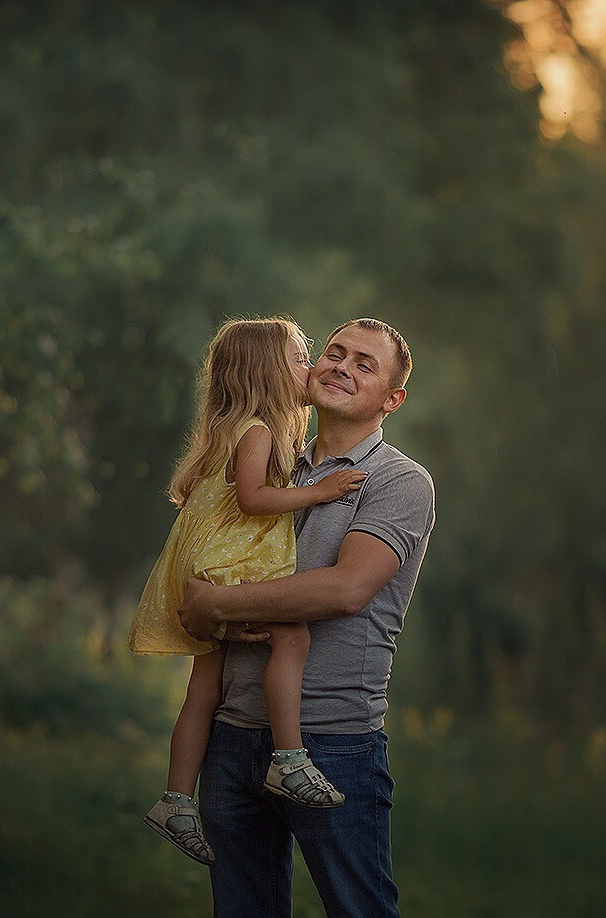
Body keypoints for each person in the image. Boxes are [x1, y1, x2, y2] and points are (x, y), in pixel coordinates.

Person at [177, 317, 435, 917]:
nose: (341, 366)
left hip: (332, 739)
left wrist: (215, 604)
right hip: (233, 735)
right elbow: (200, 564)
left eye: (364, 364)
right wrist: (194, 606)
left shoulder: (400, 482)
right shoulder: (266, 466)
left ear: (393, 400)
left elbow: (345, 590)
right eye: (335, 352)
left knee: (360, 910)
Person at [129, 316, 368, 867]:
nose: (311, 367)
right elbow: (255, 500)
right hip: (225, 563)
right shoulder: (258, 430)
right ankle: (289, 756)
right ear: (269, 372)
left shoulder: (232, 430)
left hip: (204, 565)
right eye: (301, 356)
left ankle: (176, 798)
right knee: (292, 637)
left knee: (203, 686)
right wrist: (320, 493)